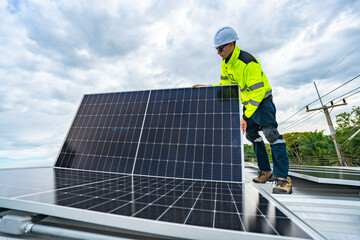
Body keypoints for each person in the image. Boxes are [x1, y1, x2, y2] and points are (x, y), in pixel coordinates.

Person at [193, 26, 292, 194]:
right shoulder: (226, 64)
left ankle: (283, 178)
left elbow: (258, 92)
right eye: (216, 49)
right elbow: (226, 86)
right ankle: (266, 171)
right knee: (252, 135)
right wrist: (208, 88)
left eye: (220, 48)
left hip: (263, 102)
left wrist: (245, 116)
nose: (218, 52)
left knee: (271, 135)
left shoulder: (248, 62)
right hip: (249, 104)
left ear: (231, 44)